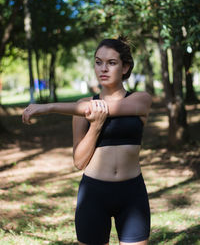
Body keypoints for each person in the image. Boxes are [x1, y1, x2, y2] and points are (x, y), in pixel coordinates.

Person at [22, 36, 152, 245]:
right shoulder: (81, 107)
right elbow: (79, 162)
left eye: (111, 63)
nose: (103, 69)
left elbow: (102, 109)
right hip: (93, 194)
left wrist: (48, 107)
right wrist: (96, 127)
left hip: (132, 194)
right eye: (98, 62)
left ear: (125, 67)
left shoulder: (140, 100)